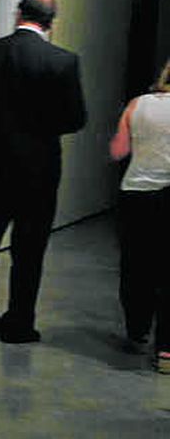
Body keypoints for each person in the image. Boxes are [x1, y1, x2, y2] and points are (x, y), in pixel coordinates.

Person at [0, 0, 86, 343]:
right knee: (29, 250)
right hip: (38, 170)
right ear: (51, 22)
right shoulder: (64, 62)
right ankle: (19, 322)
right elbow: (75, 119)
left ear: (18, 15)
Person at [108, 58, 170, 372]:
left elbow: (118, 150)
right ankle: (167, 351)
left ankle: (137, 332)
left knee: (136, 266)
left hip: (136, 194)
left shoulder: (138, 104)